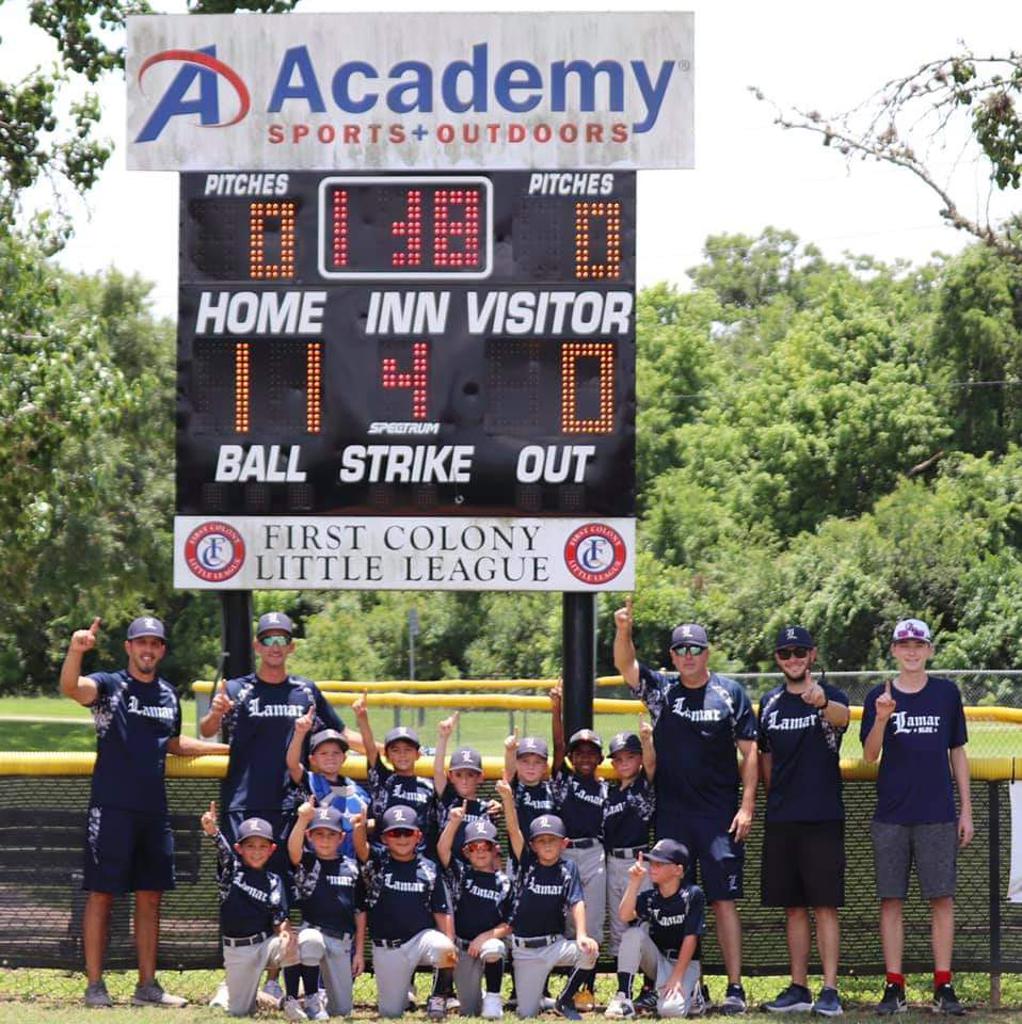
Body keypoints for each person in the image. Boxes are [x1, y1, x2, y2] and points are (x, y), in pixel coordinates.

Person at [60, 615, 228, 1009]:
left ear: (162, 650)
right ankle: (95, 986)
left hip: (153, 811)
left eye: (155, 644)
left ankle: (147, 986)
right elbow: (71, 687)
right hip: (112, 807)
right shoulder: (109, 685)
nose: (148, 650)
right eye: (141, 643)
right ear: (129, 648)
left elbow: (173, 744)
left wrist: (225, 750)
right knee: (102, 895)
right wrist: (75, 651)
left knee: (151, 897)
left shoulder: (169, 694)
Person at [199, 611, 357, 1006]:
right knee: (238, 892)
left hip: (289, 807)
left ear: (290, 647)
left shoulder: (305, 690)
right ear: (257, 646)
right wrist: (217, 712)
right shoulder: (236, 688)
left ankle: (274, 981)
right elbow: (204, 729)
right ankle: (233, 979)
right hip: (242, 803)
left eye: (280, 639)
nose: (273, 646)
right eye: (266, 639)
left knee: (280, 894)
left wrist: (383, 746)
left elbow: (338, 733)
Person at [614, 598, 757, 1014]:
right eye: (680, 650)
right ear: (672, 656)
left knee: (722, 900)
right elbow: (627, 666)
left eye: (695, 649)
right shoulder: (662, 689)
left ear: (707, 652)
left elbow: (750, 753)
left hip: (718, 816)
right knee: (665, 899)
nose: (688, 656)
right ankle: (661, 981)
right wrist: (624, 630)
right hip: (673, 815)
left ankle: (734, 986)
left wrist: (747, 806)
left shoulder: (729, 693)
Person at [861, 619, 973, 1016]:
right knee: (891, 900)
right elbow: (870, 755)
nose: (911, 651)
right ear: (893, 650)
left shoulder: (946, 693)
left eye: (918, 644)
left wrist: (967, 809)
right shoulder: (880, 695)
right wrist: (881, 718)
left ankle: (944, 985)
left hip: (937, 813)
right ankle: (895, 985)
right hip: (892, 815)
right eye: (904, 644)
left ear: (928, 650)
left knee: (941, 899)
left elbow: (957, 752)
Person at [757, 626, 849, 1017]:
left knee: (825, 906)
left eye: (799, 652)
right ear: (777, 659)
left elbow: (843, 718)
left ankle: (830, 989)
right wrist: (773, 797)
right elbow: (764, 759)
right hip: (782, 819)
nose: (792, 659)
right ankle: (799, 987)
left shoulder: (830, 696)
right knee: (793, 908)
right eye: (785, 653)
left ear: (812, 655)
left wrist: (822, 702)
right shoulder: (771, 702)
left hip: (822, 817)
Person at [499, 783, 599, 1021]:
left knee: (589, 951)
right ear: (532, 845)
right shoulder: (527, 863)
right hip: (525, 951)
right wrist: (507, 801)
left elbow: (577, 901)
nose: (546, 844)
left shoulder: (568, 868)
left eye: (552, 840)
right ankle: (541, 999)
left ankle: (564, 1000)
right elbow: (514, 831)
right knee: (527, 1013)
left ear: (563, 843)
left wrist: (582, 934)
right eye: (541, 840)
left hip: (555, 946)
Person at [352, 804, 458, 1020]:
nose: (402, 838)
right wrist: (359, 828)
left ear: (418, 836)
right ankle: (402, 995)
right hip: (387, 947)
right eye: (395, 833)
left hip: (419, 940)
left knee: (445, 948)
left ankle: (438, 998)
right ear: (384, 838)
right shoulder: (378, 864)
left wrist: (450, 946)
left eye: (407, 832)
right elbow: (362, 849)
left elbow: (441, 909)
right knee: (391, 1012)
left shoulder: (428, 868)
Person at [200, 803, 296, 1018]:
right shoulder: (231, 871)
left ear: (272, 849)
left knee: (301, 943)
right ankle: (241, 992)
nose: (256, 851)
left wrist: (285, 933)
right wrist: (212, 831)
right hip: (237, 950)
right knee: (240, 1012)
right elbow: (222, 849)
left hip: (263, 945)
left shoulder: (273, 881)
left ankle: (291, 1000)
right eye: (250, 846)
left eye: (263, 846)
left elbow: (280, 918)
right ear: (239, 848)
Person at [550, 690, 608, 1010]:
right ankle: (554, 985)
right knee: (560, 920)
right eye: (579, 753)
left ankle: (585, 989)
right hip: (565, 853)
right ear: (572, 758)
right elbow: (558, 747)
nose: (585, 757)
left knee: (593, 923)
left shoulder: (605, 789)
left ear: (600, 758)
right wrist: (556, 710)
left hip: (594, 853)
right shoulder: (564, 781)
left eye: (591, 753)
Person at [286, 801, 367, 1020]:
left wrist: (358, 952)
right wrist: (303, 820)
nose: (324, 840)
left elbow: (360, 911)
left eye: (331, 835)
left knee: (342, 1010)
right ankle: (311, 998)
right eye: (318, 834)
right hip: (313, 932)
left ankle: (321, 1000)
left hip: (341, 942)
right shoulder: (307, 862)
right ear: (309, 836)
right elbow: (293, 850)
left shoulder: (351, 867)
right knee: (310, 939)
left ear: (342, 838)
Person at [607, 840, 706, 1019]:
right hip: (659, 962)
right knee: (632, 934)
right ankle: (623, 998)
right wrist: (634, 882)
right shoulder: (650, 897)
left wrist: (676, 977)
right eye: (651, 862)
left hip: (685, 964)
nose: (653, 867)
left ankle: (693, 995)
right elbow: (625, 915)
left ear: (678, 870)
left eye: (659, 864)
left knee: (669, 1011)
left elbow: (691, 938)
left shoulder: (693, 894)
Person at [438, 800, 513, 1019]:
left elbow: (511, 922)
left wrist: (485, 937)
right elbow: (443, 850)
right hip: (463, 948)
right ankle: (478, 995)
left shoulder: (505, 882)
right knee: (469, 1010)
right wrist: (453, 823)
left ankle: (493, 997)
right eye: (474, 847)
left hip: (487, 943)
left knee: (494, 948)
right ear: (466, 851)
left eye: (486, 846)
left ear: (495, 849)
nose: (480, 852)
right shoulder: (462, 874)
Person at [352, 694, 436, 854]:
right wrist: (362, 718)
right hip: (383, 856)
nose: (402, 755)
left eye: (408, 750)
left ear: (418, 755)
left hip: (417, 859)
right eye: (395, 750)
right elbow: (370, 750)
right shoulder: (383, 779)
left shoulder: (428, 787)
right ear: (387, 755)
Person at [603, 724, 657, 957]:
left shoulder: (643, 785)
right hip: (613, 862)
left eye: (631, 757)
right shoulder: (609, 792)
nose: (624, 763)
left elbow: (653, 764)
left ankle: (647, 985)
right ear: (613, 763)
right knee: (618, 924)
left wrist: (647, 740)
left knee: (642, 920)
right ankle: (622, 986)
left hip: (638, 861)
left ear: (640, 760)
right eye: (619, 758)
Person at [286, 712, 370, 859]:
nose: (330, 757)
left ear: (344, 758)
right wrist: (299, 733)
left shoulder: (358, 792)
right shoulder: (309, 781)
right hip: (315, 863)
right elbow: (292, 765)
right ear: (312, 759)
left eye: (336, 753)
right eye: (323, 753)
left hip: (348, 864)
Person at [433, 712, 498, 860]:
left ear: (480, 777)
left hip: (475, 869)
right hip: (449, 868)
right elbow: (437, 771)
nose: (464, 780)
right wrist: (443, 737)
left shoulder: (487, 808)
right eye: (459, 775)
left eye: (470, 775)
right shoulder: (448, 797)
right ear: (451, 776)